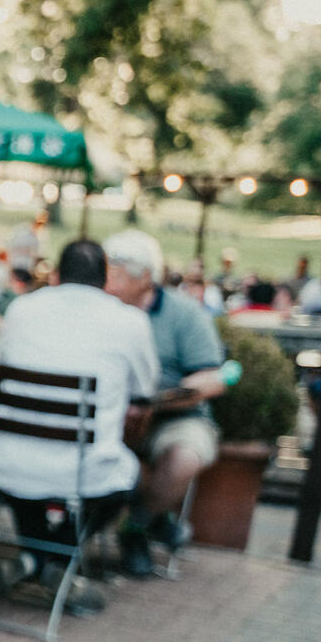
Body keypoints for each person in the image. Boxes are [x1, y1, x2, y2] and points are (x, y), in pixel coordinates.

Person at [0, 239, 158, 609]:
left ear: (57, 274)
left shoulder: (23, 308)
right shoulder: (130, 321)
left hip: (3, 463)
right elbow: (145, 389)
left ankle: (32, 561)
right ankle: (54, 562)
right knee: (127, 478)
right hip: (81, 471)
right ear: (105, 280)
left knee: (31, 474)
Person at [101, 230, 227, 578]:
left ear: (145, 277)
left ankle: (135, 528)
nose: (107, 282)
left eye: (116, 274)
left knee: (183, 458)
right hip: (109, 414)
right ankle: (157, 520)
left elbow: (212, 377)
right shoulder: (101, 309)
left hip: (173, 416)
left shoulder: (184, 313)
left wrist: (155, 404)